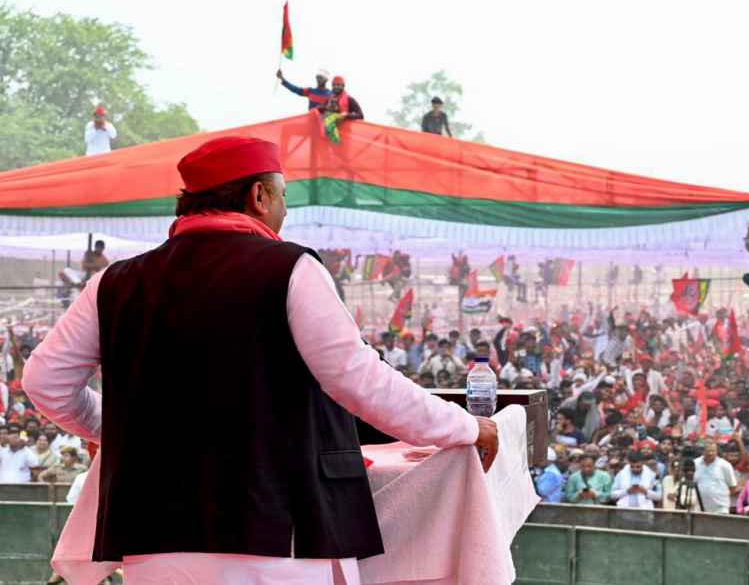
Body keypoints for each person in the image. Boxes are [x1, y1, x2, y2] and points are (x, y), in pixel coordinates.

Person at [22, 136, 499, 584]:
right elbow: (359, 379)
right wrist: (465, 426)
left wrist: (114, 428)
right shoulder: (289, 267)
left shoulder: (116, 281)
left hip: (154, 541)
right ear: (259, 196)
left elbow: (44, 381)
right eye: (283, 196)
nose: (285, 211)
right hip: (275, 536)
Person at [694, 440, 738, 513]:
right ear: (702, 451)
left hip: (720, 508)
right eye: (708, 451)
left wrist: (719, 496)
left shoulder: (725, 465)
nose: (710, 453)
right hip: (699, 508)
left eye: (713, 451)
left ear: (717, 451)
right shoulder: (695, 463)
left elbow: (733, 487)